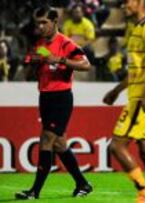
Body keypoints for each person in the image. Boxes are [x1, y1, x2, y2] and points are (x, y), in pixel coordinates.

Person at [15, 6, 92, 200]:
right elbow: (37, 63)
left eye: (44, 23)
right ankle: (83, 183)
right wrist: (33, 62)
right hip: (45, 97)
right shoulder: (40, 44)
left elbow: (85, 64)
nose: (40, 27)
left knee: (46, 139)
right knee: (59, 144)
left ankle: (35, 191)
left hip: (61, 97)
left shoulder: (65, 44)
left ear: (55, 22)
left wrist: (61, 60)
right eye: (38, 23)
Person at [102, 0, 145, 202]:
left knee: (116, 146)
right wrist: (116, 90)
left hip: (142, 98)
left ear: (140, 3)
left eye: (128, 2)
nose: (124, 6)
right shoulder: (135, 29)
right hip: (140, 95)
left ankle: (144, 192)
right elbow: (135, 71)